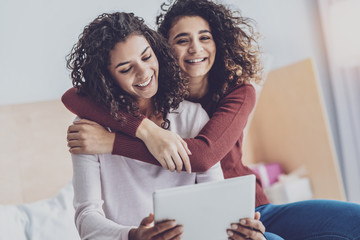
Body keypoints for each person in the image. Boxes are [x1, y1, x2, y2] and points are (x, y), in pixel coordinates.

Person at [64, 0, 360, 239]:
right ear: (166, 48)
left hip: (247, 210)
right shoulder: (90, 128)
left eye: (204, 37)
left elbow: (203, 156)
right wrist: (142, 130)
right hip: (212, 223)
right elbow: (71, 97)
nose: (196, 48)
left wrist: (118, 142)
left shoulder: (226, 98)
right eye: (182, 40)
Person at [66, 11, 266, 240]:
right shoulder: (88, 131)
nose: (143, 72)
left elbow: (215, 199)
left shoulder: (193, 116)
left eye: (146, 57)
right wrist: (134, 235)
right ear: (106, 79)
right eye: (125, 68)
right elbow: (86, 218)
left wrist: (238, 234)